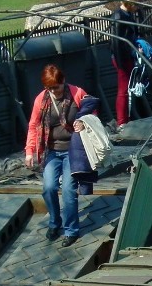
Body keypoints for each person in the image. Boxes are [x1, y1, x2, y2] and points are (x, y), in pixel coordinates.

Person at [24, 64, 97, 247]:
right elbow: (33, 125)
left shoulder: (77, 93)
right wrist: (29, 151)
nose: (54, 91)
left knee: (68, 191)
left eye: (56, 87)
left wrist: (83, 122)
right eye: (49, 88)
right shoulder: (41, 100)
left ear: (63, 81)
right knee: (49, 187)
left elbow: (92, 113)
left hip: (73, 150)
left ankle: (71, 230)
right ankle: (54, 222)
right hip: (52, 150)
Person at [109, 0, 143, 129]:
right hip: (122, 57)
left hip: (127, 56)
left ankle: (125, 118)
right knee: (123, 89)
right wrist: (121, 62)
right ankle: (122, 121)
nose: (137, 8)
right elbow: (116, 42)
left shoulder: (127, 15)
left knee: (127, 88)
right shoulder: (119, 17)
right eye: (136, 5)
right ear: (130, 4)